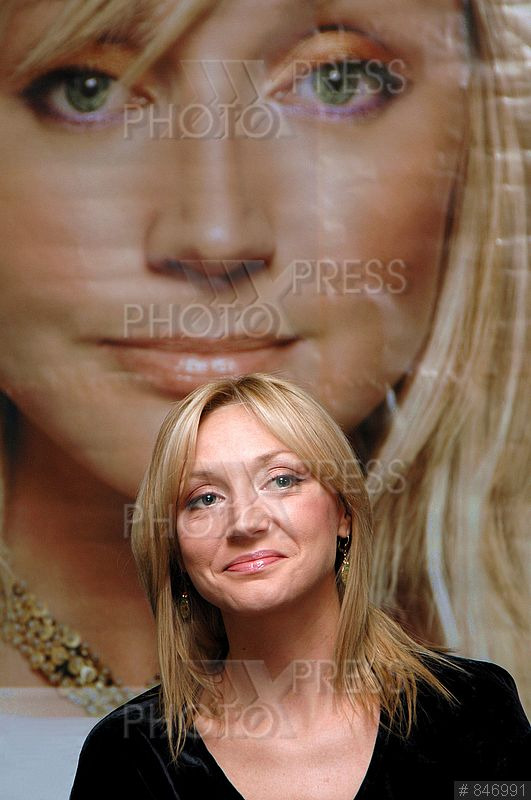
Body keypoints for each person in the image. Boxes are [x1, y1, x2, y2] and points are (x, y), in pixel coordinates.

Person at [0, 0, 528, 728]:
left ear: (477, 132)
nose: (216, 238)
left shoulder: (480, 713)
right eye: (86, 90)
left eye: (337, 81)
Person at [69, 373, 529, 799]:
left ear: (343, 513)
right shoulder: (129, 755)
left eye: (281, 480)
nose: (246, 522)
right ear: (175, 549)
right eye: (205, 498)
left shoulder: (472, 709)